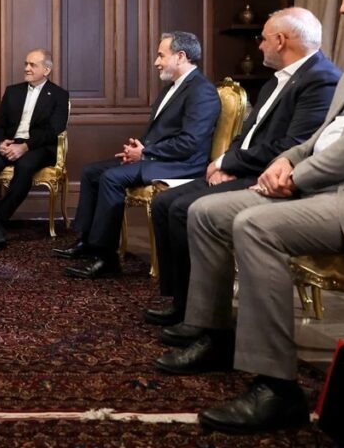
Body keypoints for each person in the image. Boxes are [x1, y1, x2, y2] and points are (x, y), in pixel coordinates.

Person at [154, 0, 344, 435]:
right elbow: (325, 135)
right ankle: (216, 335)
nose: (342, 8)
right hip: (329, 185)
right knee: (207, 213)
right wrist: (287, 161)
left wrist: (299, 176)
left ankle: (277, 389)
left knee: (255, 224)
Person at [144, 8, 341, 335]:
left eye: (263, 39)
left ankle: (200, 313)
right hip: (244, 169)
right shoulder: (274, 82)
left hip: (270, 178)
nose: (259, 45)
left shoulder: (321, 79)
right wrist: (227, 162)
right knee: (164, 203)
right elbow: (244, 135)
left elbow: (290, 147)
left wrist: (229, 165)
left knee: (183, 209)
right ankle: (181, 300)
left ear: (280, 41)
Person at [55, 31, 220, 279]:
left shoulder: (201, 91)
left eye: (161, 55)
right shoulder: (172, 88)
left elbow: (191, 143)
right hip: (160, 157)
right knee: (91, 172)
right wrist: (139, 148)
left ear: (181, 56)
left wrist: (145, 153)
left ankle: (106, 258)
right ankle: (87, 241)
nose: (156, 62)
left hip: (183, 165)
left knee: (111, 178)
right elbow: (164, 132)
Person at [0, 48, 68, 249]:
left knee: (25, 166)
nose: (27, 68)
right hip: (10, 143)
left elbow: (54, 130)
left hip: (39, 147)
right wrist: (1, 142)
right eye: (26, 64)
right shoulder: (12, 91)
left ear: (47, 70)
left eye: (33, 65)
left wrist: (25, 146)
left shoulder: (59, 95)